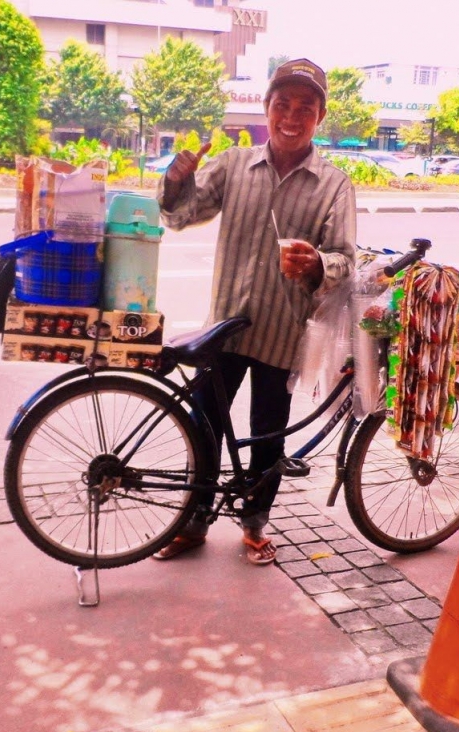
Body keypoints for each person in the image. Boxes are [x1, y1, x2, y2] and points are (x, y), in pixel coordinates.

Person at [152, 58, 357, 565]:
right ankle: (193, 522)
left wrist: (316, 264)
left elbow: (346, 261)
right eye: (281, 104)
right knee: (203, 428)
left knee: (268, 434)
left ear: (319, 117)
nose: (291, 115)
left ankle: (254, 523)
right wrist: (178, 180)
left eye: (304, 108)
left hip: (282, 334)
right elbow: (182, 214)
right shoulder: (233, 164)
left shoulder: (334, 184)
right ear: (266, 109)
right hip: (224, 326)